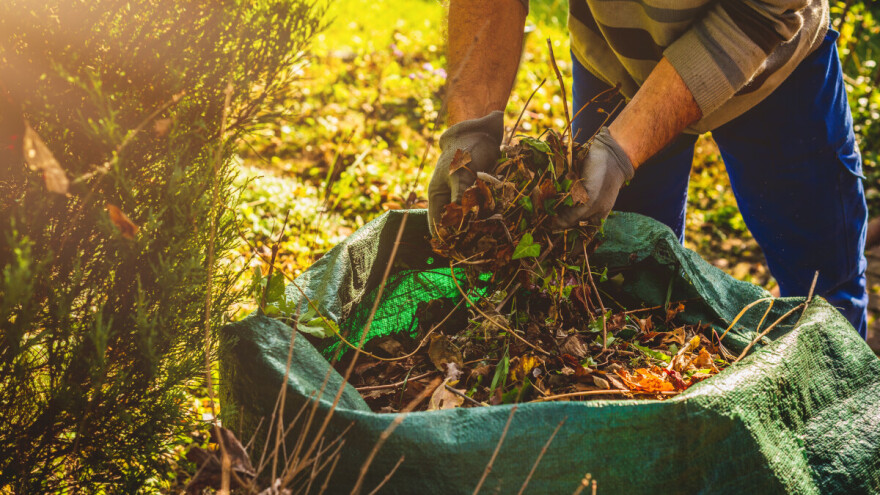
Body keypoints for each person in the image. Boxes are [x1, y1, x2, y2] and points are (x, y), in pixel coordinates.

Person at [427, 0, 869, 338]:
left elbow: (758, 12)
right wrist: (471, 127)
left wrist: (624, 147)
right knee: (623, 291)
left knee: (823, 293)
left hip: (775, 67)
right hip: (616, 60)